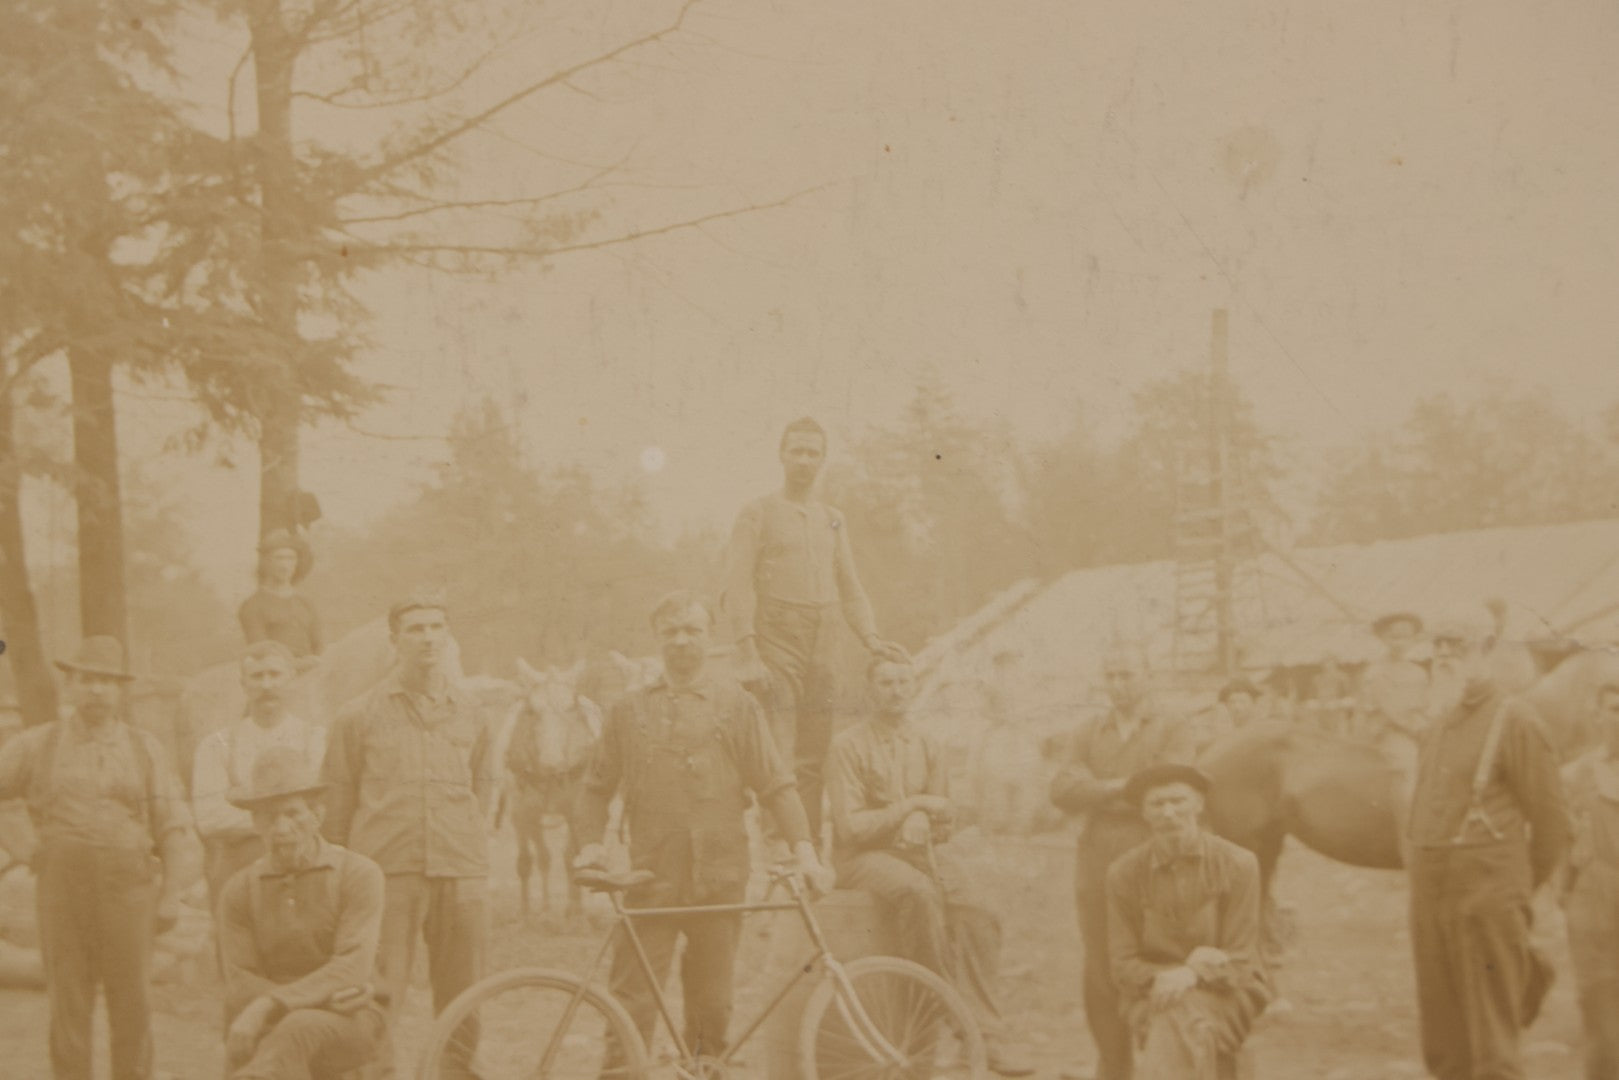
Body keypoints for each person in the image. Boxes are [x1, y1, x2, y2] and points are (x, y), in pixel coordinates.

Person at [572, 590, 834, 1069]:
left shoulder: (738, 707)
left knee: (712, 1011)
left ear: (710, 638)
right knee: (631, 1006)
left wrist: (807, 853)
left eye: (693, 630)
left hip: (720, 882)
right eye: (670, 631)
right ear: (656, 639)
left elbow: (776, 785)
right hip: (649, 883)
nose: (682, 641)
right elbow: (593, 789)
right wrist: (591, 849)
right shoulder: (628, 712)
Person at [826, 654, 1034, 1076]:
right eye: (886, 682)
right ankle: (949, 1009)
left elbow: (944, 817)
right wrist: (913, 806)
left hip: (919, 854)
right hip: (861, 859)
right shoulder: (847, 745)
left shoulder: (928, 743)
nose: (896, 691)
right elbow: (850, 829)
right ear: (870, 690)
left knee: (979, 909)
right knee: (916, 892)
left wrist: (925, 816)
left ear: (914, 687)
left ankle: (988, 1033)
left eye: (904, 682)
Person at [0, 636, 198, 1080]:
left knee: (133, 1002)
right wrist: (24, 845)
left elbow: (173, 826)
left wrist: (169, 897)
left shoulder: (144, 748)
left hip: (128, 887)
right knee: (69, 1001)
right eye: (88, 680)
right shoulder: (39, 744)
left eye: (107, 682)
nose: (96, 691)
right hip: (62, 886)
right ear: (70, 683)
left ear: (120, 690)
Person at [320, 593, 496, 1080]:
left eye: (437, 627)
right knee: (378, 993)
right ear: (395, 640)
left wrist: (466, 847)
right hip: (385, 875)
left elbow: (482, 788)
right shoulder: (358, 716)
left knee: (465, 996)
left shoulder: (474, 713)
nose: (428, 638)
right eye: (416, 629)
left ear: (448, 637)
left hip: (460, 873)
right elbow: (337, 809)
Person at [720, 417, 906, 839]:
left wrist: (872, 639)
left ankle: (809, 849)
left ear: (823, 460)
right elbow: (737, 583)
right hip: (774, 637)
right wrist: (747, 650)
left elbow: (850, 585)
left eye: (813, 453)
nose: (804, 461)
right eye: (796, 451)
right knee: (778, 747)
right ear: (781, 456)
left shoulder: (833, 518)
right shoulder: (758, 512)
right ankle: (778, 848)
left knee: (815, 753)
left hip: (824, 638)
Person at [1406, 613, 1570, 1080]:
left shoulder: (1514, 720)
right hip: (1431, 896)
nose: (1444, 656)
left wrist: (1512, 889)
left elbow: (1552, 822)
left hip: (1488, 894)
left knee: (1492, 1040)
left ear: (1487, 654)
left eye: (1457, 646)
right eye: (1438, 647)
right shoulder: (1437, 727)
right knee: (1441, 1035)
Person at [1048, 649, 1198, 1080]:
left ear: (1147, 676)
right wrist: (1126, 786)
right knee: (1100, 960)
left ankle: (1167, 1057)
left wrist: (1099, 789)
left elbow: (1174, 782)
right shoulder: (1088, 730)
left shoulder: (1174, 726)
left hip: (1158, 852)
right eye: (1111, 675)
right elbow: (1062, 788)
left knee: (1162, 950)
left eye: (1127, 674)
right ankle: (1113, 1064)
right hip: (1098, 854)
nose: (1119, 684)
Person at [217, 746, 386, 1080]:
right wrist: (289, 1003)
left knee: (297, 1028)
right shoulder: (239, 890)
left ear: (317, 815)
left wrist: (273, 1004)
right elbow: (240, 980)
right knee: (272, 1034)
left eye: (292, 813)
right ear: (255, 823)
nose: (281, 828)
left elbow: (352, 966)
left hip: (349, 1017)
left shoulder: (358, 874)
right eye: (268, 816)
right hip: (282, 1014)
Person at [1105, 764, 1271, 1080]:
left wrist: (1191, 974)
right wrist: (1168, 977)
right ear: (1143, 813)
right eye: (1157, 804)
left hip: (1231, 990)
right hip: (1149, 991)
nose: (1168, 813)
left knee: (1179, 1015)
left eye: (1178, 801)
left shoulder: (1238, 864)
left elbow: (1241, 958)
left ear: (1198, 805)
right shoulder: (1123, 874)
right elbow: (1122, 965)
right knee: (1184, 1018)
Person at [191, 641, 327, 911]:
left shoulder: (316, 739)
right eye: (257, 676)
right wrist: (290, 817)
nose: (267, 685)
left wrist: (248, 810)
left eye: (275, 675)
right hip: (238, 875)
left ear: (292, 681)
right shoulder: (216, 745)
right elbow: (209, 819)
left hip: (303, 871)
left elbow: (323, 810)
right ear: (244, 685)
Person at [1558, 680, 1619, 1079]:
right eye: (1613, 710)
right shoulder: (1574, 775)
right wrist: (1567, 893)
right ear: (1596, 717)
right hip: (1594, 897)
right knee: (1600, 1003)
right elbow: (1559, 846)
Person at [1353, 612, 1430, 765]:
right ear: (1384, 639)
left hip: (1418, 732)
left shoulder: (1419, 673)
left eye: (1406, 637)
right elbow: (1388, 711)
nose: (1400, 643)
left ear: (1414, 640)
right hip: (1387, 733)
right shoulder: (1375, 672)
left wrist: (1427, 729)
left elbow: (1424, 706)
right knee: (1407, 764)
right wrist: (1416, 730)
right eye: (1394, 637)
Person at [239, 530, 322, 668]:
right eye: (279, 558)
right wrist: (299, 664)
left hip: (312, 673)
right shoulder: (252, 605)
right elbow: (262, 651)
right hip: (274, 675)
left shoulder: (306, 603)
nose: (285, 566)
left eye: (291, 558)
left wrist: (316, 662)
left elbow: (319, 644)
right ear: (266, 562)